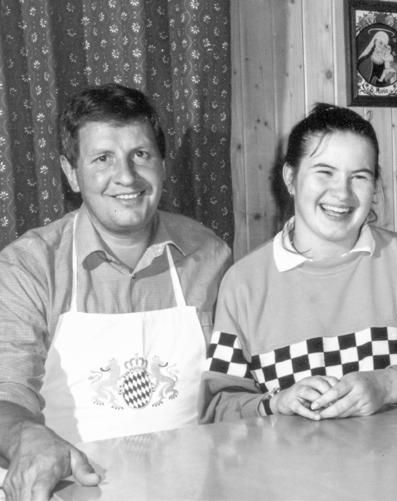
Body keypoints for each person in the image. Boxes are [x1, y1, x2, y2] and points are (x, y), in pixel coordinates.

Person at [0, 83, 232, 500]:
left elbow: (232, 385)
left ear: (162, 164)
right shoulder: (28, 268)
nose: (126, 176)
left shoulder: (210, 255)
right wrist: (25, 438)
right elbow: (6, 390)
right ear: (71, 173)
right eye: (102, 158)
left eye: (140, 154)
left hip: (193, 489)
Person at [201, 103, 397, 422]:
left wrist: (389, 384)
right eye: (324, 173)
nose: (342, 193)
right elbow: (220, 407)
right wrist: (275, 403)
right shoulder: (243, 283)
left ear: (375, 187)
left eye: (359, 177)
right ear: (290, 178)